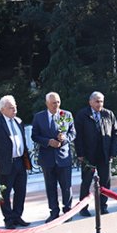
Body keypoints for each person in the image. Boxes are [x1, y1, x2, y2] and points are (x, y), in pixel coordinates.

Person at [0, 95, 30, 229]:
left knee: (21, 191)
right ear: (2, 110)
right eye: (11, 107)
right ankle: (8, 218)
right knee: (5, 193)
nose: (14, 109)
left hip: (20, 162)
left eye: (15, 106)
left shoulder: (18, 121)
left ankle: (17, 216)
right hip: (5, 164)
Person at [31, 92, 76, 223]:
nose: (56, 105)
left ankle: (67, 211)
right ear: (47, 104)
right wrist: (48, 141)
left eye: (58, 102)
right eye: (53, 103)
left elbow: (73, 132)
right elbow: (34, 135)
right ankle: (54, 212)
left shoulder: (66, 115)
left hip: (63, 157)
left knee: (66, 186)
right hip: (47, 158)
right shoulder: (39, 117)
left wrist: (65, 139)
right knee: (50, 187)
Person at [75, 91, 117, 217]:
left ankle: (102, 206)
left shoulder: (108, 114)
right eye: (97, 101)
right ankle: (83, 207)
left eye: (101, 101)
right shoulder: (82, 115)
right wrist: (80, 154)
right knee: (87, 181)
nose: (99, 104)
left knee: (105, 181)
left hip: (104, 153)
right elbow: (78, 136)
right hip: (89, 155)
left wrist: (113, 152)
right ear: (90, 102)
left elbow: (115, 133)